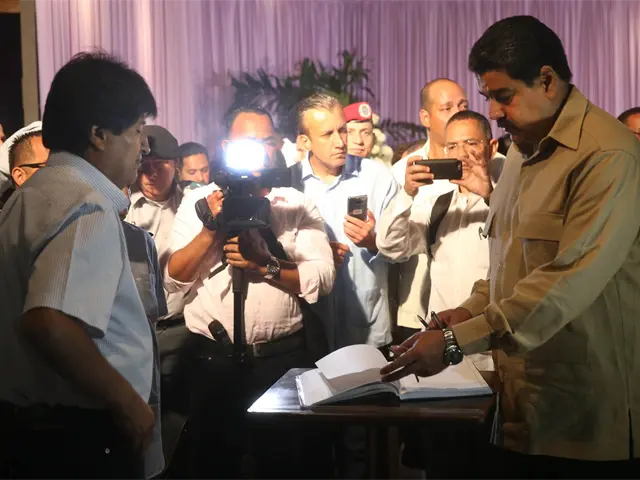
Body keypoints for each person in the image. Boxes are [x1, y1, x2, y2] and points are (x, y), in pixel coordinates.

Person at [381, 15, 640, 476]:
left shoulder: (607, 154)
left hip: (583, 420)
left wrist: (455, 342)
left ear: (547, 80)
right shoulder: (522, 147)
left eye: (504, 96)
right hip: (520, 405)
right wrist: (466, 311)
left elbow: (566, 282)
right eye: (488, 97)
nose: (495, 113)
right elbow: (508, 264)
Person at [0, 52, 158, 479]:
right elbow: (48, 322)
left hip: (27, 431)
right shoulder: (86, 206)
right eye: (138, 130)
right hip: (78, 439)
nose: (145, 146)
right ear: (99, 135)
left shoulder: (31, 196)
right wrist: (128, 403)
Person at [165, 105, 335, 479]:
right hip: (213, 360)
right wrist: (211, 230)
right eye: (247, 142)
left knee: (283, 463)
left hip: (280, 359)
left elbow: (322, 277)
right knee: (213, 464)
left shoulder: (294, 202)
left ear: (276, 147)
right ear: (226, 147)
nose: (258, 150)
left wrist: (264, 266)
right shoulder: (199, 202)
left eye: (266, 142)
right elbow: (173, 279)